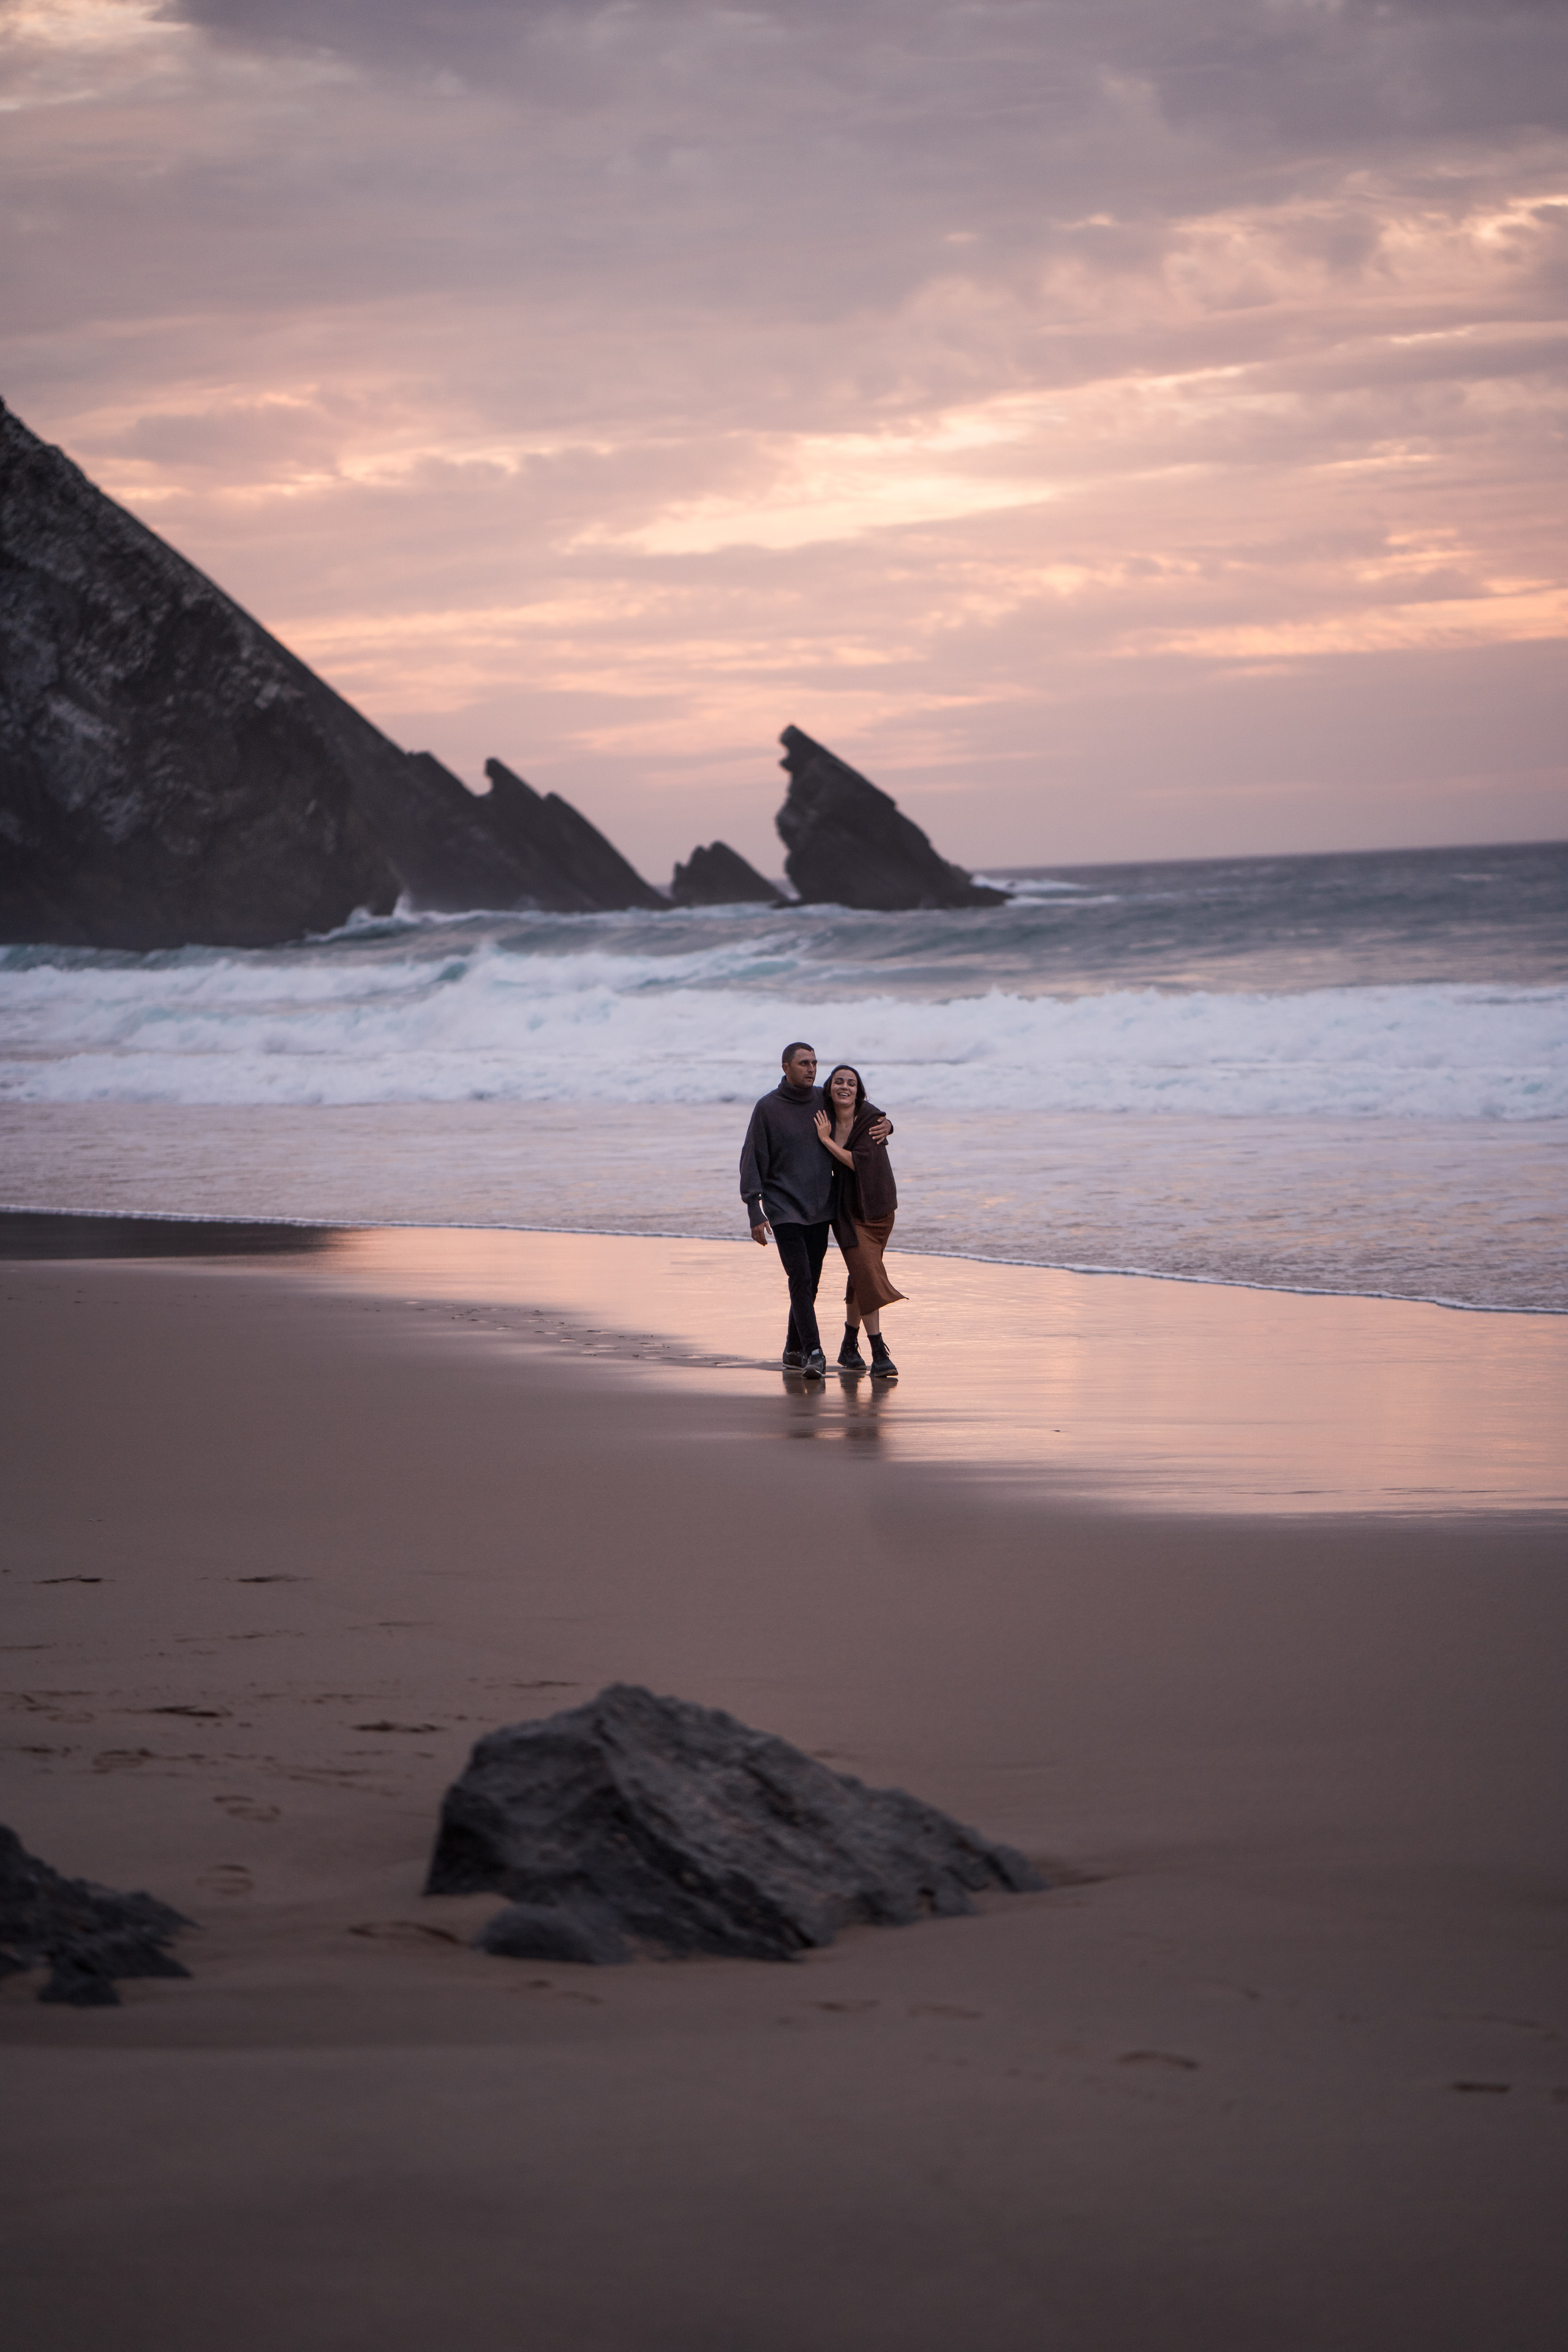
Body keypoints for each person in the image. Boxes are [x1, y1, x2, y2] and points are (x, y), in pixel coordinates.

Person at [739, 1042, 890, 1376]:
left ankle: (793, 1349)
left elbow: (860, 1109)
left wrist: (887, 1123)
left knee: (812, 1283)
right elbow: (752, 1158)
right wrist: (754, 1208)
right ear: (786, 1067)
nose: (811, 1069)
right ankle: (814, 1352)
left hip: (821, 1207)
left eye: (814, 1063)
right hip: (784, 1208)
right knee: (800, 1278)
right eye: (804, 1063)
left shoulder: (823, 1098)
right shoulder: (768, 1108)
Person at [815, 1063, 903, 1376]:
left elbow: (859, 1162)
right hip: (847, 1212)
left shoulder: (870, 1119)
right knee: (866, 1271)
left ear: (858, 1091)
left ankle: (848, 1345)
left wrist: (827, 1142)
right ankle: (878, 1352)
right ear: (829, 1088)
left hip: (879, 1210)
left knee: (860, 1273)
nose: (845, 1087)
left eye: (851, 1083)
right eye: (839, 1082)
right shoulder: (821, 1116)